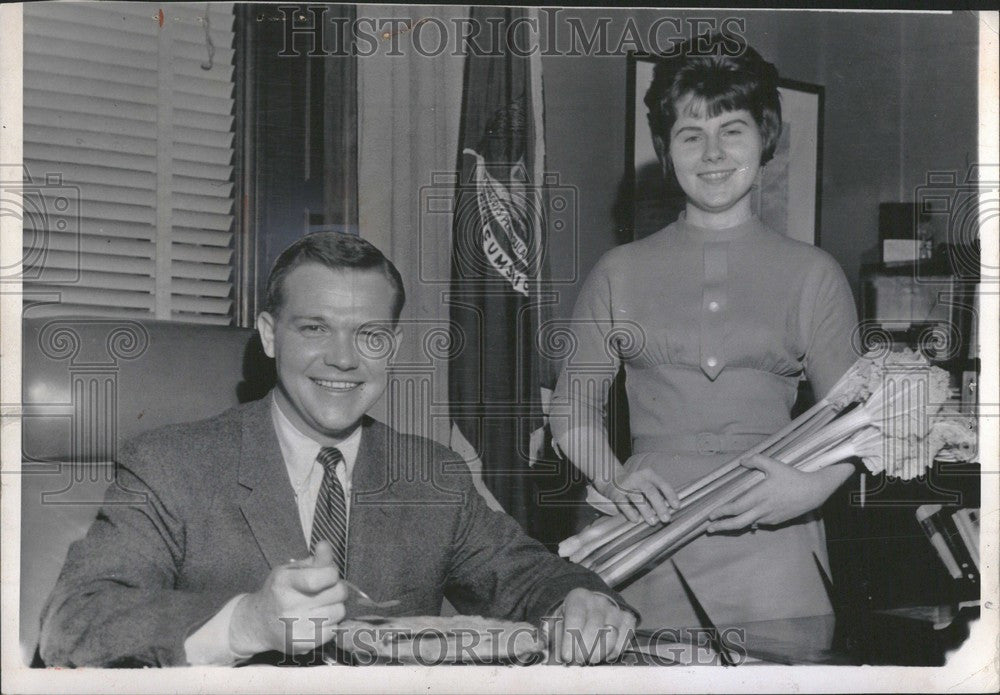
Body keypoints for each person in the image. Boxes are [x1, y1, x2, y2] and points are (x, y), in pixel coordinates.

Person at [39, 232, 635, 667]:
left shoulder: (433, 476)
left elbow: (532, 578)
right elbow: (74, 622)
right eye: (314, 328)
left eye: (368, 335)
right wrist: (248, 622)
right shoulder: (171, 465)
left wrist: (578, 601)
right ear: (271, 335)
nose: (344, 359)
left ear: (392, 345)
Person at [550, 36, 859, 630]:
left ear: (765, 137)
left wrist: (811, 490)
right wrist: (615, 478)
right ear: (666, 149)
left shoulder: (814, 273)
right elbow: (572, 413)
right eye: (691, 135)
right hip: (646, 538)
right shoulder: (619, 270)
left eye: (733, 130)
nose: (713, 153)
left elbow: (860, 423)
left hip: (776, 543)